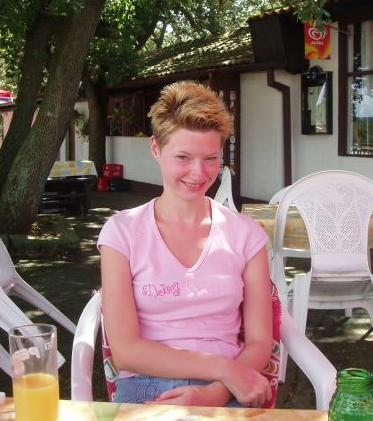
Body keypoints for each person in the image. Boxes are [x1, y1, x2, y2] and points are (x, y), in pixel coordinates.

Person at [98, 82, 273, 408]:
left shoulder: (246, 235)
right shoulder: (122, 233)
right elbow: (125, 351)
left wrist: (215, 392)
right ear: (156, 148)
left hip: (226, 391)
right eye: (183, 157)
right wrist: (223, 368)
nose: (198, 172)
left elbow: (261, 342)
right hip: (146, 384)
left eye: (210, 158)